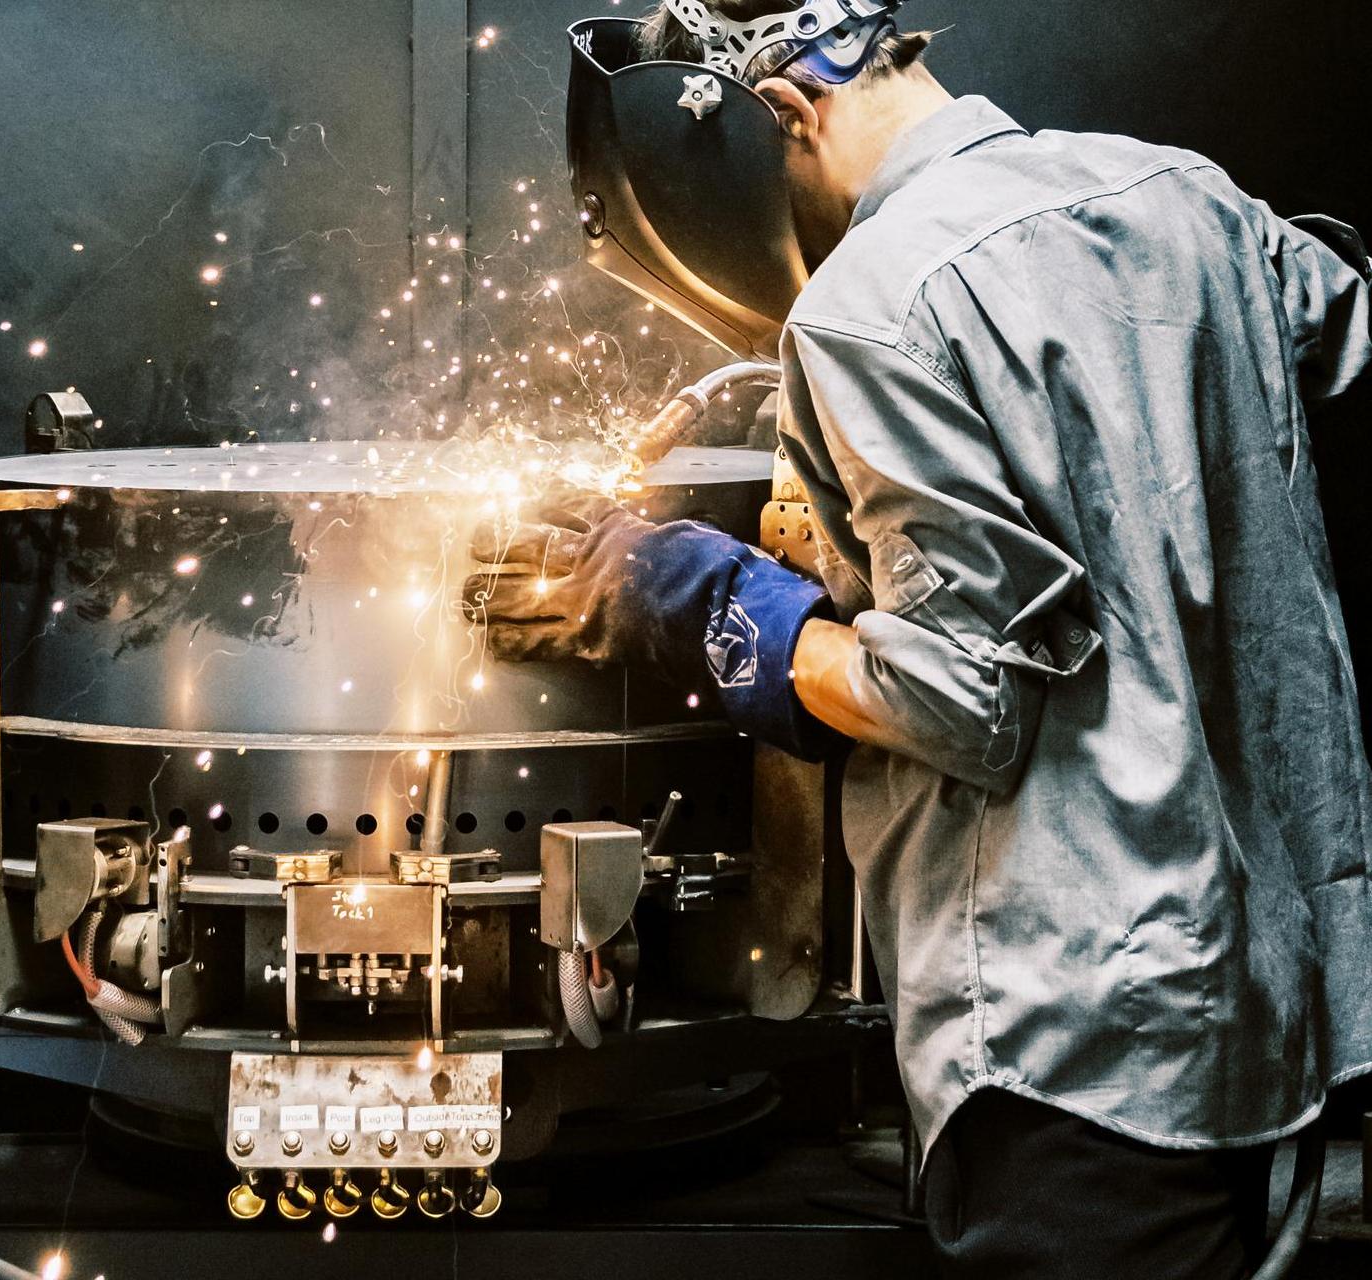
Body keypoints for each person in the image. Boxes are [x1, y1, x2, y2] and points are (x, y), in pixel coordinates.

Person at [471, 2, 1372, 1275]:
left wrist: (702, 595)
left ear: (782, 112)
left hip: (1072, 1046)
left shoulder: (865, 304)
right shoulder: (1191, 199)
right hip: (1275, 1006)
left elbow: (960, 698)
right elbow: (1330, 333)